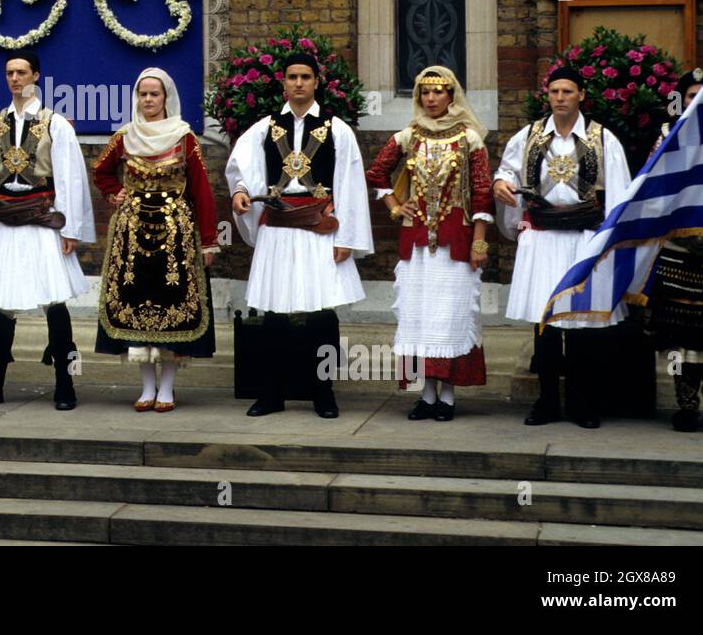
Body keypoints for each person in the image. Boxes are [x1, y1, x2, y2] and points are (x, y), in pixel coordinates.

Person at [225, 52, 374, 418]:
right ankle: (271, 394)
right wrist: (241, 192)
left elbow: (351, 184)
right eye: (292, 76)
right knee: (275, 314)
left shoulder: (337, 128)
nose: (298, 83)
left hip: (318, 227)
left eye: (305, 76)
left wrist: (346, 237)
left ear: (316, 82)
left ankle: (324, 393)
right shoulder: (265, 127)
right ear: (283, 82)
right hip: (277, 227)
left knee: (322, 316)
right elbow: (241, 166)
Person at [0, 49, 95, 411]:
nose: (15, 79)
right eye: (9, 73)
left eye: (21, 72)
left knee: (54, 303)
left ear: (36, 77)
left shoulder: (55, 124)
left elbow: (71, 178)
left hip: (42, 220)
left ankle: (65, 383)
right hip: (4, 221)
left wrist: (70, 228)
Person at [494, 64, 631, 428]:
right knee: (546, 327)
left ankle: (582, 404)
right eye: (554, 92)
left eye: (567, 92)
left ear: (581, 95)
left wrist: (609, 242)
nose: (559, 98)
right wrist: (501, 185)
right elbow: (507, 172)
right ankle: (547, 402)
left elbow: (619, 195)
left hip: (584, 239)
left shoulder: (603, 140)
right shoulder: (529, 136)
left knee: (582, 327)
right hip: (542, 239)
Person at [367, 65, 493, 421]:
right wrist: (394, 205)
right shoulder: (409, 136)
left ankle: (448, 396)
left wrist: (480, 241)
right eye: (425, 92)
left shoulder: (470, 139)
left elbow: (483, 193)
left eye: (439, 92)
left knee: (450, 315)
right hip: (417, 240)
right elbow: (375, 173)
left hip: (457, 239)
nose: (431, 98)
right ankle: (426, 394)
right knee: (420, 315)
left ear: (451, 96)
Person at [92, 68, 218, 412]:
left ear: (166, 98)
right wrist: (113, 193)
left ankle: (167, 387)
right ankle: (146, 386)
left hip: (174, 233)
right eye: (143, 94)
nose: (148, 100)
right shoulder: (125, 136)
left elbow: (202, 191)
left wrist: (208, 240)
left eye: (154, 94)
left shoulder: (184, 138)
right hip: (132, 234)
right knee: (135, 306)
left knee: (172, 306)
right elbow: (100, 170)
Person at [643, 68, 703, 433]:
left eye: (702, 95)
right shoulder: (666, 138)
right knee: (678, 336)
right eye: (689, 96)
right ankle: (687, 405)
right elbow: (650, 189)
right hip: (676, 250)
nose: (696, 102)